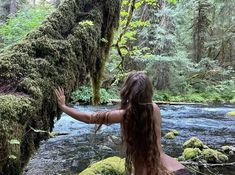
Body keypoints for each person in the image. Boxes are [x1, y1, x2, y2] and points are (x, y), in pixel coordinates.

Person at [54, 71, 190, 175]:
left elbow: (89, 118)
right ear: (148, 92)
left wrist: (64, 107)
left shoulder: (125, 115)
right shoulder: (154, 108)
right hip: (178, 169)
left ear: (127, 92)